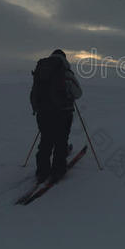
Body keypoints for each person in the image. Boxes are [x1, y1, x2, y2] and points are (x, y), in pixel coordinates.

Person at [29, 49, 82, 183]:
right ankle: (58, 170)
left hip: (42, 112)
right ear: (64, 58)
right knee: (60, 140)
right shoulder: (65, 71)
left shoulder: (41, 70)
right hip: (62, 112)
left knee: (46, 140)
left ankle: (42, 171)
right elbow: (78, 93)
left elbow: (35, 92)